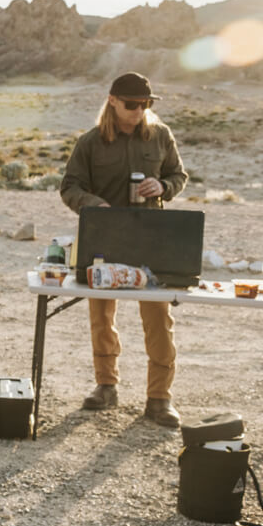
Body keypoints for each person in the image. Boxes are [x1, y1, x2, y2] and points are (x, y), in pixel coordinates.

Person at [58, 72, 189, 427]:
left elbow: (179, 175)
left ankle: (160, 399)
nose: (139, 110)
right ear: (112, 101)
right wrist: (92, 204)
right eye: (132, 104)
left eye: (145, 104)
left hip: (151, 237)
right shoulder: (90, 142)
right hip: (103, 238)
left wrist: (162, 186)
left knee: (159, 318)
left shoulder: (160, 136)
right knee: (102, 316)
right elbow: (69, 186)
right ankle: (106, 386)